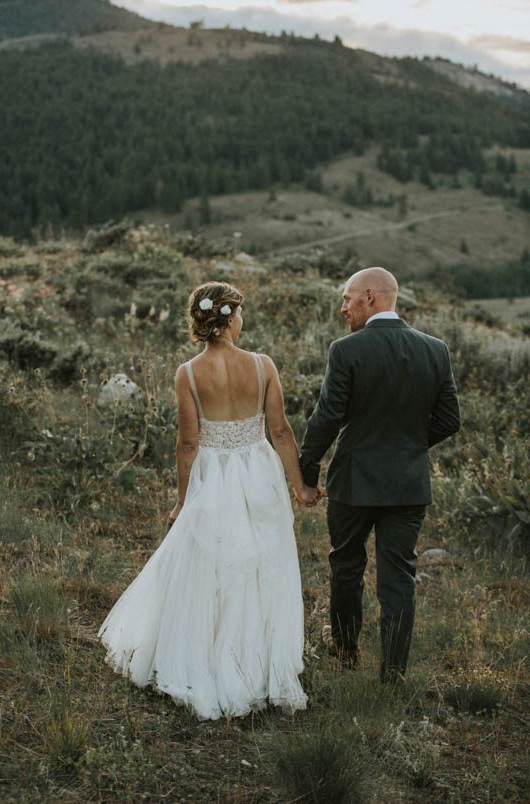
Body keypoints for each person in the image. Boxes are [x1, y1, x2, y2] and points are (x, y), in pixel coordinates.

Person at [98, 281, 320, 720]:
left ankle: (213, 656)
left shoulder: (188, 373)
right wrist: (300, 488)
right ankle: (255, 664)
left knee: (214, 568)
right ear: (230, 317)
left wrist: (183, 502)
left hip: (213, 477)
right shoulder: (263, 365)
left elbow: (188, 443)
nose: (242, 320)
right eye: (240, 313)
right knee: (261, 566)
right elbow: (280, 432)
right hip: (259, 474)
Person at [299, 267, 460, 683]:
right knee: (399, 577)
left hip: (354, 481)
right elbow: (449, 419)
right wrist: (408, 445)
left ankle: (347, 650)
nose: (343, 307)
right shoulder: (435, 349)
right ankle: (393, 673)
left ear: (370, 297)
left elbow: (328, 416)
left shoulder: (346, 350)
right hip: (408, 484)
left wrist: (307, 467)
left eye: (347, 298)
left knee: (346, 566)